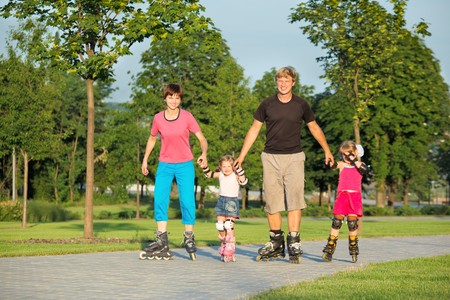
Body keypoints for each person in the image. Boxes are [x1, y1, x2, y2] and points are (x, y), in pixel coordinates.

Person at [234, 66, 334, 264]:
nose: (283, 83)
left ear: (293, 83)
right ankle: (276, 242)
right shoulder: (267, 104)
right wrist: (241, 156)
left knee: (295, 199)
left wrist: (327, 150)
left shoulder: (301, 105)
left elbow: (313, 127)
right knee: (272, 201)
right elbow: (254, 129)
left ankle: (294, 242)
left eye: (287, 80)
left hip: (295, 157)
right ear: (276, 82)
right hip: (270, 157)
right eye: (280, 80)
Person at [140, 83, 208, 261]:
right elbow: (152, 138)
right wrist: (145, 158)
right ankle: (162, 240)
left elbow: (201, 138)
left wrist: (204, 153)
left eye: (177, 97)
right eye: (170, 97)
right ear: (165, 98)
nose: (173, 100)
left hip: (185, 164)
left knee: (187, 201)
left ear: (180, 99)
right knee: (160, 199)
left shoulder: (187, 117)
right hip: (165, 164)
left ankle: (189, 238)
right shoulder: (158, 118)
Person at [322, 140, 369, 263]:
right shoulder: (342, 165)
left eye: (349, 154)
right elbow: (333, 166)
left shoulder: (359, 165)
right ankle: (330, 246)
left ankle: (353, 245)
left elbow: (365, 170)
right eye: (344, 155)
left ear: (355, 153)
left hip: (355, 197)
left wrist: (354, 159)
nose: (346, 157)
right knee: (337, 221)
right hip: (342, 196)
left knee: (352, 223)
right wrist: (329, 162)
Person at [199, 155, 248, 262]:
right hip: (221, 200)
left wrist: (240, 171)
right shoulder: (221, 174)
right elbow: (209, 174)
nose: (226, 169)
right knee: (220, 225)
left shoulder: (235, 175)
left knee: (228, 225)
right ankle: (224, 243)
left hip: (231, 202)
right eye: (224, 166)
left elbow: (244, 181)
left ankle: (230, 248)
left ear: (233, 167)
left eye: (229, 166)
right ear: (220, 167)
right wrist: (204, 166)